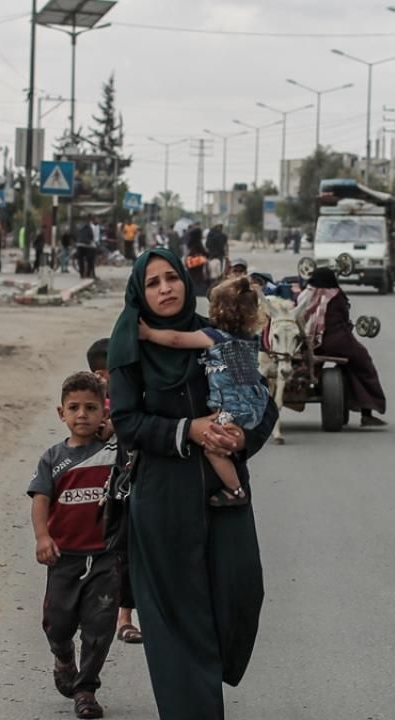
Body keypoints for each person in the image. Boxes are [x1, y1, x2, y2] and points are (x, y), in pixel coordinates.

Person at [107, 248, 277, 719]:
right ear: (140, 293)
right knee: (180, 620)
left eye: (172, 278)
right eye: (153, 283)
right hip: (163, 496)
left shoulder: (214, 335)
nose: (165, 288)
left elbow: (262, 402)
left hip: (224, 496)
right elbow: (126, 421)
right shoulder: (129, 348)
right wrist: (190, 430)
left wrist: (243, 436)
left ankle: (205, 681)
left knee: (240, 593)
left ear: (186, 280)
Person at [28, 372, 121, 720]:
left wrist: (115, 429)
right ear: (61, 413)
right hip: (63, 558)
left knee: (100, 626)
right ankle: (63, 655)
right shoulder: (53, 458)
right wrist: (43, 538)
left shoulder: (114, 450)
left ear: (104, 413)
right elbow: (40, 500)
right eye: (74, 407)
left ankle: (86, 689)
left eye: (92, 407)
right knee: (57, 622)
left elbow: (132, 436)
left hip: (105, 555)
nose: (82, 414)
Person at [138, 275, 269, 507]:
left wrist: (149, 334)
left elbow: (177, 340)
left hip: (230, 409)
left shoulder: (215, 337)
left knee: (213, 448)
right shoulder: (250, 340)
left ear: (217, 311)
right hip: (255, 404)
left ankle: (235, 490)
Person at [85, 339, 142, 647]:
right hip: (106, 489)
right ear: (101, 374)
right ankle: (122, 617)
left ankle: (129, 615)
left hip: (136, 479)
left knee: (133, 549)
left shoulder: (132, 393)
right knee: (116, 550)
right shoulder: (92, 404)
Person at [297, 268, 388, 427]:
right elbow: (343, 321)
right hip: (338, 342)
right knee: (363, 363)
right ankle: (367, 412)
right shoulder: (336, 295)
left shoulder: (305, 294)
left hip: (309, 344)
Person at [184, 228, 210, 297]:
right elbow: (189, 263)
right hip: (196, 280)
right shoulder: (194, 248)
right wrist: (203, 259)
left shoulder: (197, 246)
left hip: (198, 279)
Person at [78, 215, 101, 279]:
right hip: (89, 246)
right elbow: (95, 238)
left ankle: (82, 274)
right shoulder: (94, 227)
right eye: (97, 219)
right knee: (91, 261)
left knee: (81, 260)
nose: (98, 221)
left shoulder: (81, 225)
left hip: (80, 244)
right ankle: (91, 274)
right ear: (93, 220)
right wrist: (97, 245)